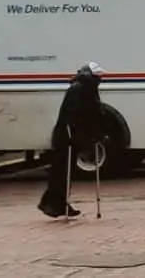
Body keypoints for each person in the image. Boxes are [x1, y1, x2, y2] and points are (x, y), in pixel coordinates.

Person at [38, 62, 104, 218]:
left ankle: (58, 203)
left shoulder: (85, 88)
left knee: (65, 172)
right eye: (98, 76)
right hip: (67, 136)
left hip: (71, 135)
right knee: (62, 171)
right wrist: (74, 135)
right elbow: (73, 115)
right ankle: (52, 203)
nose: (100, 79)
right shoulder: (79, 89)